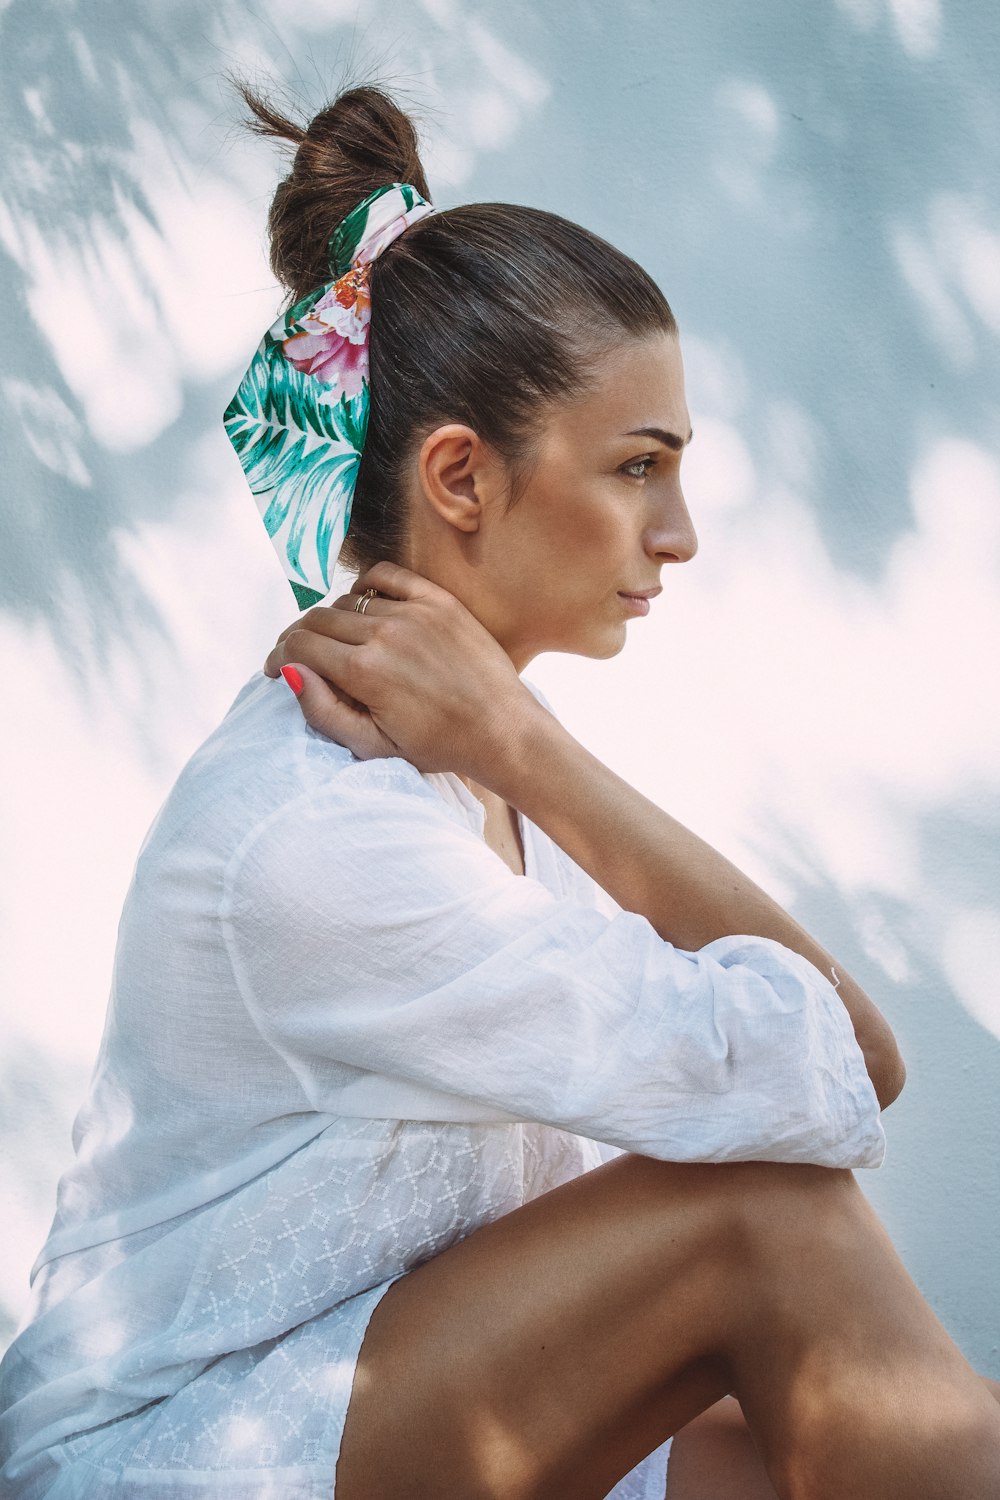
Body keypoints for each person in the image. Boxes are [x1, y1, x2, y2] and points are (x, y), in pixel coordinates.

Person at [1, 79, 998, 1500]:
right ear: (461, 477)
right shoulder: (325, 827)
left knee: (919, 1413)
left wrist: (516, 746)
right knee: (768, 1228)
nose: (681, 533)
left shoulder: (463, 770)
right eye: (637, 467)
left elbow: (831, 1064)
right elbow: (845, 1074)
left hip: (355, 1399)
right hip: (162, 1461)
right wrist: (530, 747)